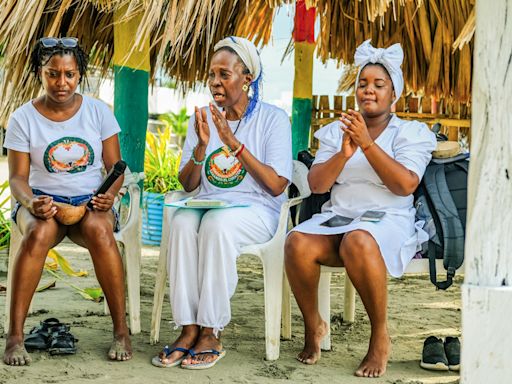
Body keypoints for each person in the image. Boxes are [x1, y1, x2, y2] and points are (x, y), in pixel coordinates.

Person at [284, 39, 437, 378]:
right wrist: (343, 152)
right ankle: (314, 326)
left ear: (393, 93)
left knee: (358, 239)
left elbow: (405, 185)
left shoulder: (410, 133)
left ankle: (380, 334)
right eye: (363, 84)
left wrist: (367, 145)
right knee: (296, 241)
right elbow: (319, 185)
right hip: (340, 217)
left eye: (378, 85)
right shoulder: (336, 132)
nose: (369, 90)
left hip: (388, 220)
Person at [151, 36, 292, 370]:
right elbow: (187, 184)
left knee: (215, 225)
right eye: (211, 74)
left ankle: (211, 330)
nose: (215, 82)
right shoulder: (202, 118)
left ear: (247, 78)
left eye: (224, 74)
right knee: (182, 222)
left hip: (259, 210)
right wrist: (201, 149)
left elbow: (275, 185)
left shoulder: (273, 119)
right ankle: (187, 328)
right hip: (207, 203)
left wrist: (233, 143)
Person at [2, 37, 132, 365]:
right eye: (53, 74)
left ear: (80, 75)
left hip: (90, 201)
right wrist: (31, 203)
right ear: (39, 73)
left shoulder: (98, 112)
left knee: (102, 231)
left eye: (70, 75)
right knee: (38, 233)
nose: (62, 83)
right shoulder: (22, 118)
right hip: (42, 202)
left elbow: (116, 166)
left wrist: (108, 196)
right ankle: (15, 336)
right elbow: (17, 178)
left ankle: (120, 330)